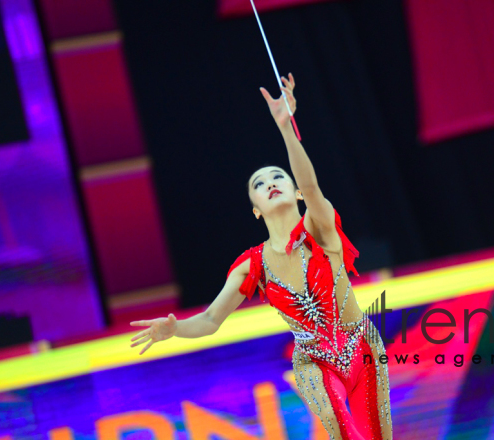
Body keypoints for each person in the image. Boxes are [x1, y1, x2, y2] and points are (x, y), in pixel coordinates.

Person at [130, 73, 392, 439]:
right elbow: (210, 319)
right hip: (314, 363)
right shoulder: (252, 265)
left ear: (297, 192)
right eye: (259, 184)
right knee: (343, 433)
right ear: (255, 209)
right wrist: (175, 330)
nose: (270, 183)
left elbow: (313, 184)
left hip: (362, 348)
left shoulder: (320, 226)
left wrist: (286, 127)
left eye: (278, 177)